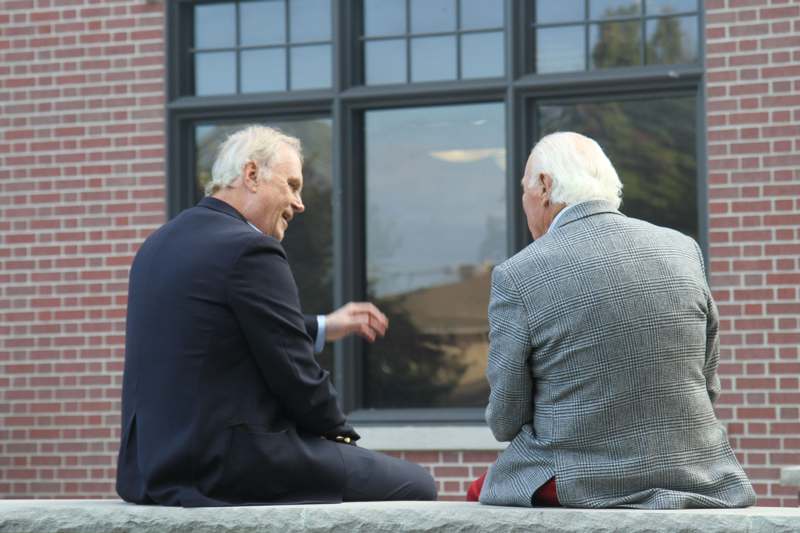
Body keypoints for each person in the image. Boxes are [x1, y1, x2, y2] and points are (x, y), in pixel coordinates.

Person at [116, 125, 436, 507]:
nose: (300, 203)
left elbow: (214, 329)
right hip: (225, 466)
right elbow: (296, 374)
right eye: (292, 185)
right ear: (251, 174)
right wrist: (339, 434)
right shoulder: (250, 249)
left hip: (148, 470)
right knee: (417, 486)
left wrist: (323, 326)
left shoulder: (158, 244)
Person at [471, 132, 756, 508]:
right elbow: (707, 386)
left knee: (480, 493)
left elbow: (505, 419)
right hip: (695, 471)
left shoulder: (518, 274)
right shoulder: (683, 249)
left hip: (581, 479)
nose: (524, 205)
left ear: (544, 186)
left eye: (524, 191)